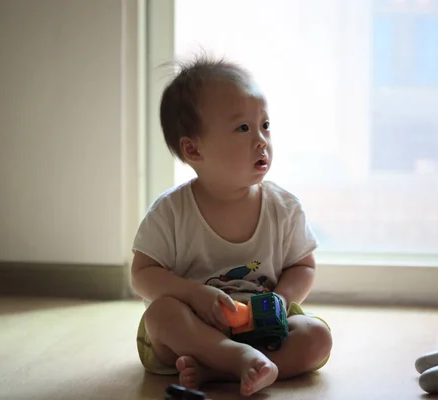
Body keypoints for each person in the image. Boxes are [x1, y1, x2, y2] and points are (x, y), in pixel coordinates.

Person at [131, 54, 333, 397]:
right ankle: (233, 358)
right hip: (194, 329)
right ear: (193, 150)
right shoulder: (171, 212)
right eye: (243, 128)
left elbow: (303, 265)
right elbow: (143, 274)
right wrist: (193, 294)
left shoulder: (283, 208)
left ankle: (216, 369)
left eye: (265, 125)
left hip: (264, 326)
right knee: (161, 315)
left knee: (317, 336)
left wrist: (282, 299)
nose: (261, 140)